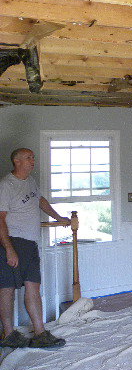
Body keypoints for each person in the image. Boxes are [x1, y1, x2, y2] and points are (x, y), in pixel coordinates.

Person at [0, 148, 70, 348]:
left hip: (30, 243)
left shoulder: (30, 181)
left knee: (33, 286)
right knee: (7, 288)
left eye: (33, 157)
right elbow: (0, 218)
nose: (33, 161)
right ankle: (8, 334)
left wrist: (59, 218)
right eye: (28, 158)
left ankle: (40, 333)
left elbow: (40, 201)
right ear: (17, 161)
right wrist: (9, 248)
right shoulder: (6, 185)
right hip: (13, 241)